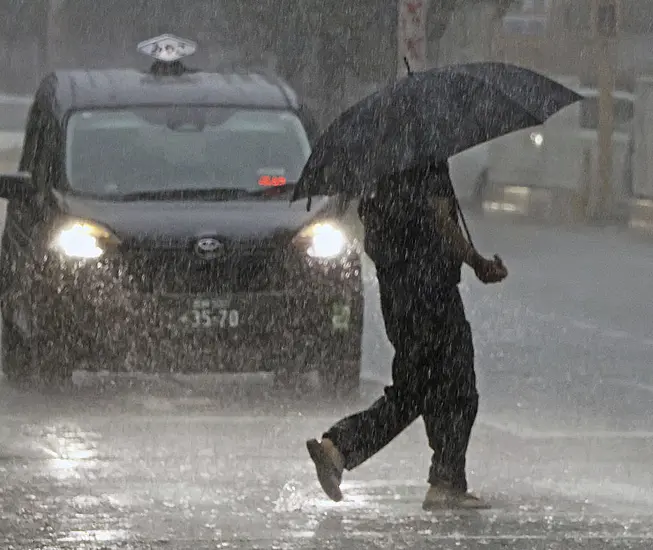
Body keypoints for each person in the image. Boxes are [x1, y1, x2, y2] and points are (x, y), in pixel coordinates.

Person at [306, 160, 508, 510]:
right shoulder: (427, 157)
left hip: (398, 295)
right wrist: (476, 261)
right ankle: (446, 481)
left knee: (415, 388)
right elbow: (441, 220)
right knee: (457, 386)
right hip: (432, 293)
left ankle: (338, 449)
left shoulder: (382, 167)